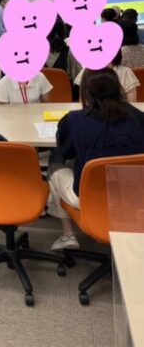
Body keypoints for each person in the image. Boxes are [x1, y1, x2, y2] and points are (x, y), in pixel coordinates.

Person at [47, 67, 144, 250]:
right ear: (118, 89)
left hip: (90, 197)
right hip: (135, 195)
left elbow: (65, 150)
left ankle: (68, 234)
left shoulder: (74, 120)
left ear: (85, 92)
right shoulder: (138, 116)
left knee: (55, 163)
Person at [74, 50, 140, 102]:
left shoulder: (126, 72)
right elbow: (83, 102)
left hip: (119, 113)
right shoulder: (86, 72)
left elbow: (132, 104)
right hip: (92, 113)